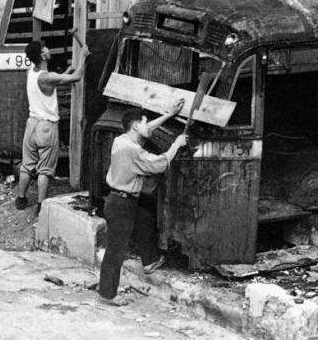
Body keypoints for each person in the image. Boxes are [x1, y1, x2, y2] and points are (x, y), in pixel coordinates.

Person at [98, 102, 188, 306]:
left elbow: (147, 130)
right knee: (116, 250)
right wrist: (176, 144)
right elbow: (159, 164)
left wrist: (168, 114)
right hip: (121, 204)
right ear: (136, 126)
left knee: (145, 219)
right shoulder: (133, 151)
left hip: (122, 199)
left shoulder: (122, 140)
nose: (149, 127)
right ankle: (108, 294)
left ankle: (150, 261)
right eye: (145, 122)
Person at [14, 40, 88, 215]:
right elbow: (76, 78)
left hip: (31, 125)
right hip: (46, 127)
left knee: (27, 165)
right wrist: (83, 57)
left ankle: (21, 199)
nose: (48, 49)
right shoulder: (48, 77)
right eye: (44, 48)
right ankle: (41, 205)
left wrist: (66, 72)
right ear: (42, 55)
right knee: (45, 170)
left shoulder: (30, 72)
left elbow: (51, 82)